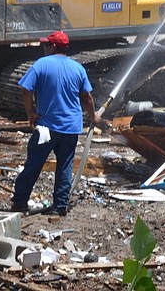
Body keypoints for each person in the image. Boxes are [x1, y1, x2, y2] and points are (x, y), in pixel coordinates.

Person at [10, 30, 101, 216]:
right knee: (65, 166)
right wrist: (93, 117)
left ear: (52, 46)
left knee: (34, 164)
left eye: (46, 44)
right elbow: (87, 98)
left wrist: (31, 113)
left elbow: (26, 90)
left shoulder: (42, 64)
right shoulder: (78, 68)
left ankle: (20, 202)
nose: (44, 48)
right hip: (70, 128)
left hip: (47, 127)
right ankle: (60, 206)